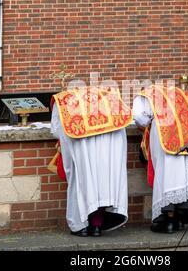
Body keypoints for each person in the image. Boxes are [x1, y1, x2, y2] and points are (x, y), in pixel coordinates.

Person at [133, 84, 188, 233]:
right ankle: (182, 219)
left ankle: (168, 219)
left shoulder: (148, 95)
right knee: (187, 176)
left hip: (165, 135)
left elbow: (139, 118)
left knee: (169, 175)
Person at [49, 85, 131, 237]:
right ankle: (96, 226)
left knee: (80, 181)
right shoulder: (109, 98)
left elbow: (56, 130)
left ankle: (81, 225)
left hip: (80, 146)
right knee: (101, 183)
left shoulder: (64, 101)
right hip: (108, 148)